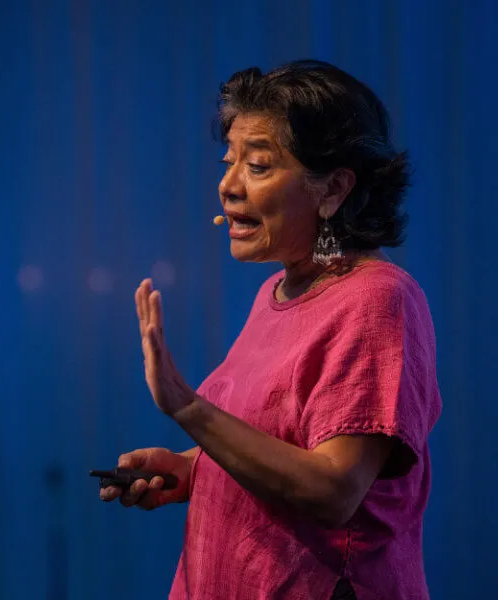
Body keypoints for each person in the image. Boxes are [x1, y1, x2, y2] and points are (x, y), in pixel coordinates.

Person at [99, 60, 441, 600]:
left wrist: (188, 408)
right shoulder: (275, 294)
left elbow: (334, 490)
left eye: (257, 166)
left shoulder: (377, 299)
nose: (227, 186)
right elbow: (281, 444)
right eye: (228, 161)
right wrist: (191, 469)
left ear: (333, 189)